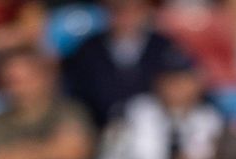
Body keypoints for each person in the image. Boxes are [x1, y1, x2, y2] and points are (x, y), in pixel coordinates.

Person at [94, 54, 223, 159]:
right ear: (158, 82)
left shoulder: (210, 119)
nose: (177, 87)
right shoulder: (133, 112)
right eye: (170, 80)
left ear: (197, 83)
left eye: (183, 79)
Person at [60, 0, 189, 127]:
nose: (127, 17)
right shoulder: (87, 50)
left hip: (153, 129)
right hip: (99, 129)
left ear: (146, 11)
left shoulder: (164, 47)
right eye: (118, 10)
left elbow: (183, 89)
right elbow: (74, 95)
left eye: (135, 9)